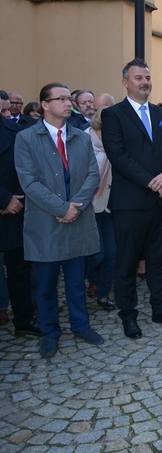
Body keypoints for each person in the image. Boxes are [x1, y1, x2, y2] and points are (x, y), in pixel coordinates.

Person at [15, 82, 103, 357]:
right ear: (44, 104)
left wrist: (74, 207)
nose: (68, 103)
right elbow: (29, 182)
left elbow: (92, 175)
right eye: (61, 99)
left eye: (69, 99)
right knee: (46, 284)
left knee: (76, 281)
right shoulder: (27, 138)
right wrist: (61, 208)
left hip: (77, 219)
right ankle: (50, 332)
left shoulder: (81, 136)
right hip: (46, 223)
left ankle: (81, 325)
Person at [101, 58, 162, 339]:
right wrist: (151, 181)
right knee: (126, 262)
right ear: (126, 82)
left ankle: (160, 309)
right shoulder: (113, 115)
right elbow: (118, 155)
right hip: (130, 202)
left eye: (147, 77)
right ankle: (128, 315)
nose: (144, 82)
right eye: (138, 78)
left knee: (159, 260)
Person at [0, 99, 41, 337]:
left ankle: (24, 319)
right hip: (8, 202)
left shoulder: (14, 131)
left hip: (14, 211)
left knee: (19, 271)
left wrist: (14, 200)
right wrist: (4, 199)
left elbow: (25, 168)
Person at [83, 107, 117, 311]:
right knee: (97, 254)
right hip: (88, 207)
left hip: (108, 207)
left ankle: (103, 294)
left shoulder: (114, 143)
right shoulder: (83, 141)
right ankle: (80, 282)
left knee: (111, 254)